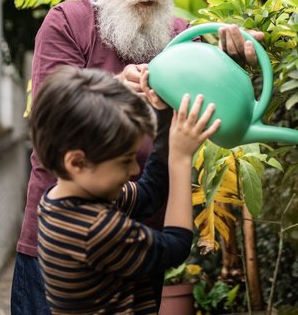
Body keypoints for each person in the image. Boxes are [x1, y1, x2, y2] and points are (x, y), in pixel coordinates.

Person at [10, 0, 259, 314]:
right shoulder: (68, 24)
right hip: (60, 253)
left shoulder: (181, 38)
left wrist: (235, 61)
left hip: (140, 234)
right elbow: (49, 119)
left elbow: (216, 112)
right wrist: (115, 89)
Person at [31, 66, 219, 314]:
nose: (133, 170)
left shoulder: (59, 199)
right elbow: (175, 246)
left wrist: (162, 115)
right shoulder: (95, 229)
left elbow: (149, 193)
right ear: (76, 162)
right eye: (124, 161)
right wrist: (181, 158)